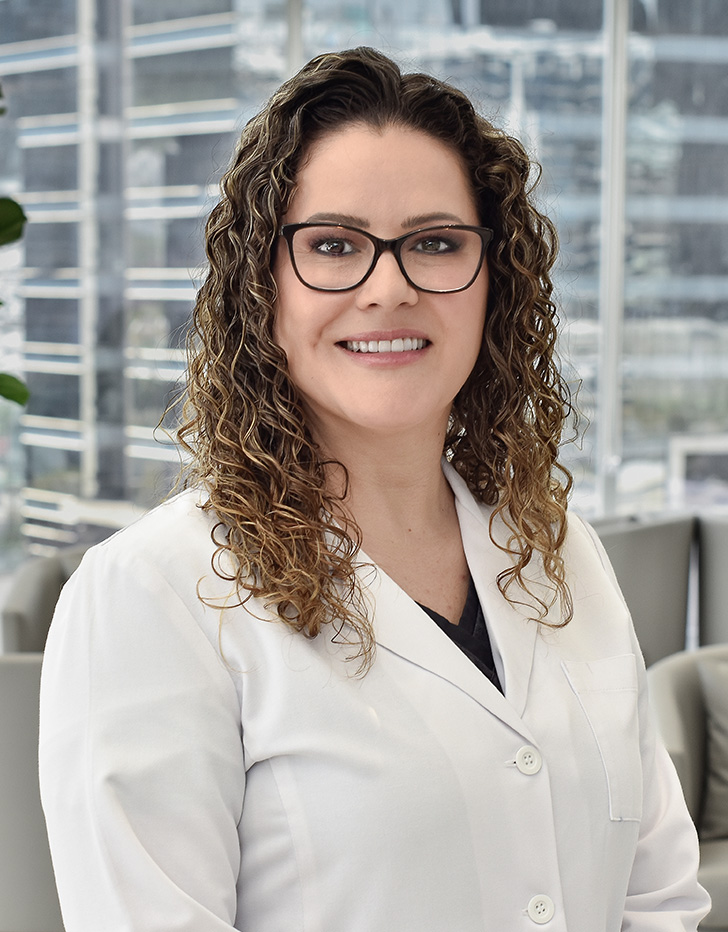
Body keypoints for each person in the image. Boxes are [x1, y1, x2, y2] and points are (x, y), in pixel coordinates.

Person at [39, 46, 710, 931]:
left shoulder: (561, 553)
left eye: (435, 243)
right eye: (333, 245)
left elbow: (658, 898)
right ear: (262, 286)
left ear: (491, 281)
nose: (388, 288)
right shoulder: (151, 595)